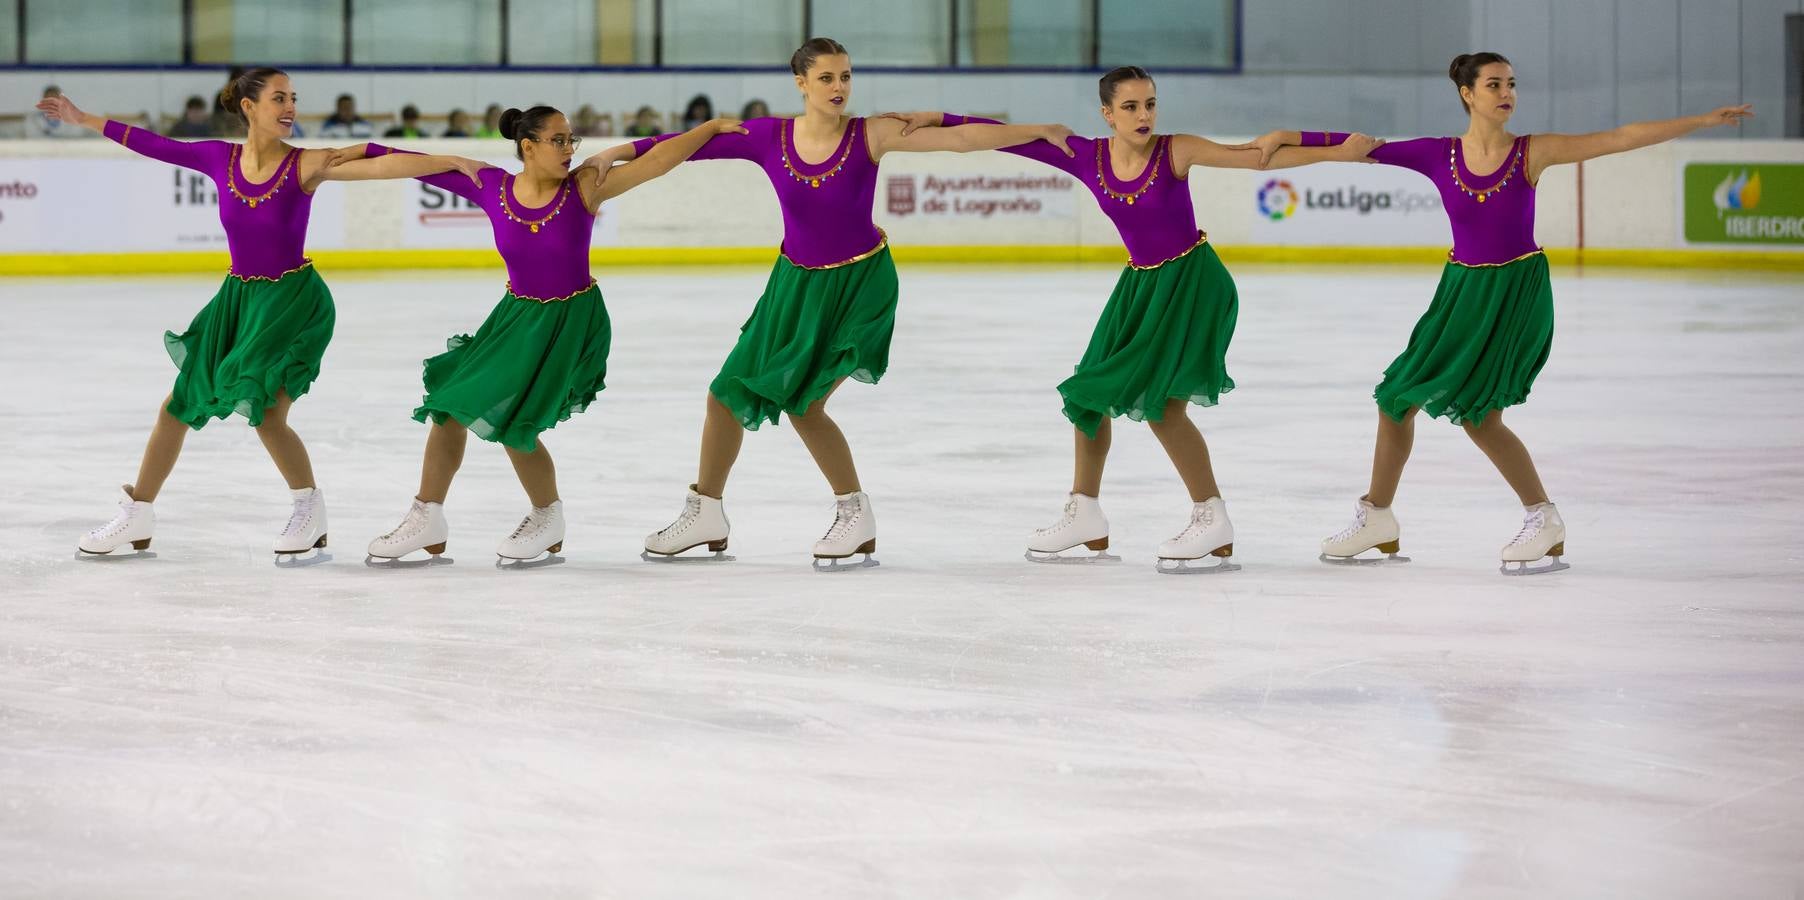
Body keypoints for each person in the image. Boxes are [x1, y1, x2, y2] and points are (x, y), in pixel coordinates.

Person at [587, 37, 1075, 570]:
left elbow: (959, 140)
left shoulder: (872, 133)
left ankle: (855, 514)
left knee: (805, 403)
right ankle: (706, 512)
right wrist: (616, 151)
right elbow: (680, 146)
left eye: (845, 76)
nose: (839, 87)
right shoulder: (767, 136)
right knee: (723, 395)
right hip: (792, 287)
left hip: (859, 286)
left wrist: (1037, 130)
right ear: (801, 83)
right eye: (826, 78)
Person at [891, 68, 1382, 573]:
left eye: (1150, 104)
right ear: (1107, 114)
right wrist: (941, 117)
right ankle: (1085, 513)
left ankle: (1211, 517)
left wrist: (1337, 150)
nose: (1143, 115)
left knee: (1164, 408)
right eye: (1130, 107)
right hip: (1141, 286)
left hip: (1192, 284)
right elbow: (1000, 141)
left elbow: (1258, 159)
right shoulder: (1086, 157)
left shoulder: (1177, 150)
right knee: (1087, 393)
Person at [1299, 52, 1752, 574]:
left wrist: (1699, 120)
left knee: (1476, 414)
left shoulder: (1532, 153)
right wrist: (1283, 138)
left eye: (1511, 84)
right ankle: (1384, 514)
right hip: (1460, 291)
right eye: (1493, 84)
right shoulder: (1437, 154)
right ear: (1468, 94)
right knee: (1401, 399)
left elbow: (1620, 137)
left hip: (1516, 291)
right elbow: (1357, 147)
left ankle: (1536, 516)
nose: (1506, 92)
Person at [39, 69, 484, 563]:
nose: (290, 106)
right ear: (249, 107)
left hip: (292, 304)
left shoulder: (306, 165)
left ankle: (308, 510)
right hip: (237, 301)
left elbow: (378, 161)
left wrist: (452, 160)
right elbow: (152, 144)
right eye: (278, 98)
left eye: (293, 98)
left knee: (269, 414)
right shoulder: (217, 157)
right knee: (177, 406)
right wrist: (81, 119)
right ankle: (138, 512)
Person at [362, 109, 746, 567]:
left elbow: (659, 162)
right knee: (450, 407)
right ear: (528, 146)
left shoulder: (585, 186)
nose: (569, 150)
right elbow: (401, 163)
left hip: (569, 322)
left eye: (571, 140)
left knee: (511, 421)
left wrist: (706, 129)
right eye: (557, 141)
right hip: (515, 318)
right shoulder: (492, 186)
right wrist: (428, 156)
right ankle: (436, 516)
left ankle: (542, 517)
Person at [27, 86, 94, 139]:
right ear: (43, 99)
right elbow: (31, 137)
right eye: (48, 98)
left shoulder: (73, 118)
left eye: (55, 98)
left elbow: (77, 136)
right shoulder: (33, 119)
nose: (52, 101)